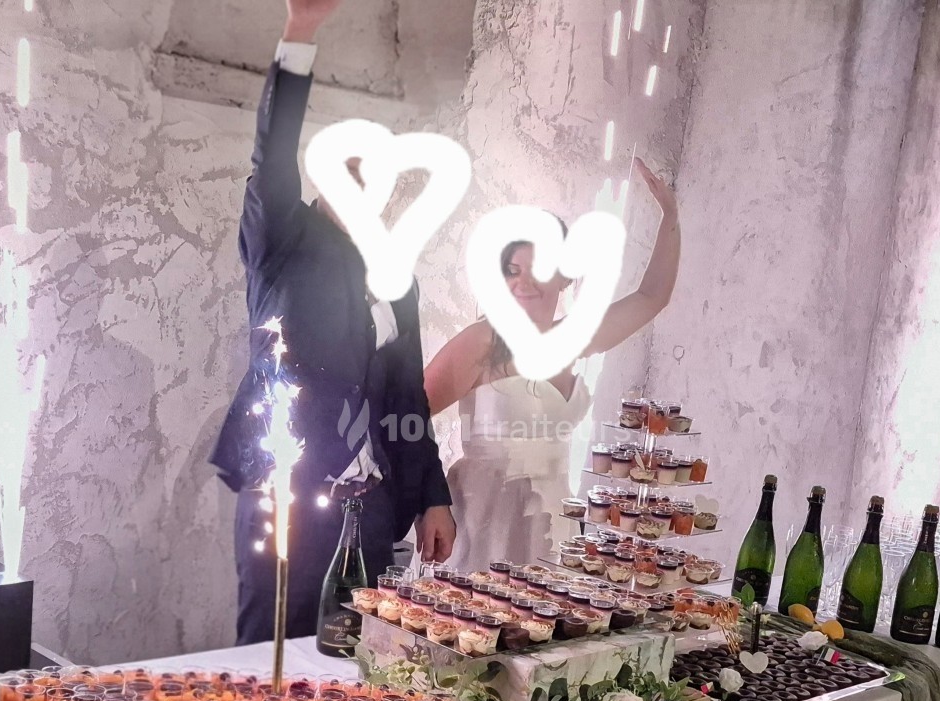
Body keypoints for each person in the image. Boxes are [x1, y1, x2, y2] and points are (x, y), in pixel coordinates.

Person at [210, 0, 455, 645]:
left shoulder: (397, 278)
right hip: (285, 493)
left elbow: (409, 395)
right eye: (351, 172)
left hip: (371, 508)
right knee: (270, 657)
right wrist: (300, 36)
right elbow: (273, 156)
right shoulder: (283, 240)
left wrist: (434, 495)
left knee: (354, 659)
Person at [423, 158, 679, 570]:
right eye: (511, 271)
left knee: (550, 629)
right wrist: (429, 502)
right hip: (481, 521)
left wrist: (671, 215)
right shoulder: (482, 341)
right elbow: (407, 413)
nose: (523, 283)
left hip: (553, 520)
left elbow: (652, 297)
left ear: (564, 277)